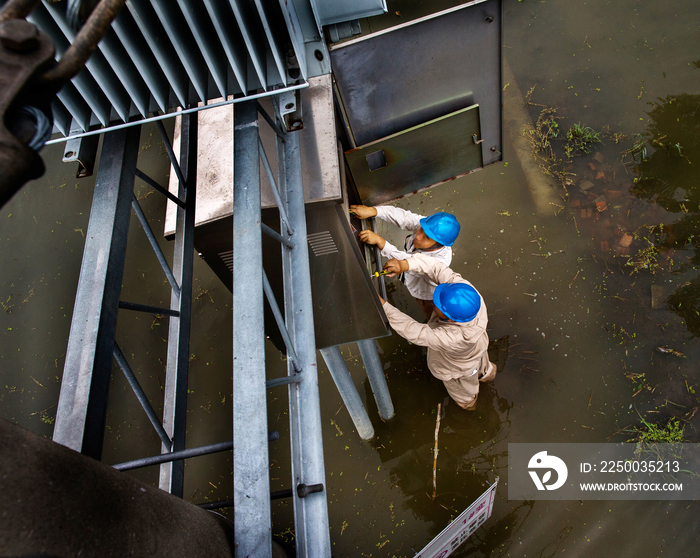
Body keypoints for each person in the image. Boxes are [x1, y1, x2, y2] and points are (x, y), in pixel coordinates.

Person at [379, 254, 496, 411]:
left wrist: (383, 306)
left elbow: (413, 330)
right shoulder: (467, 295)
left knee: (465, 391)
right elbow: (436, 267)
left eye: (438, 305)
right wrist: (404, 265)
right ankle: (488, 374)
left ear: (451, 320)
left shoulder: (452, 338)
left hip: (458, 367)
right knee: (483, 366)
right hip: (478, 345)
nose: (435, 301)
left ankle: (469, 407)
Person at [349, 204, 460, 320]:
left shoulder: (440, 260)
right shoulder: (428, 227)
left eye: (426, 238)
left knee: (433, 317)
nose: (418, 236)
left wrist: (381, 242)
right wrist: (373, 211)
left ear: (439, 245)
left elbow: (411, 263)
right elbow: (403, 216)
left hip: (425, 294)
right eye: (421, 230)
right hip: (409, 275)